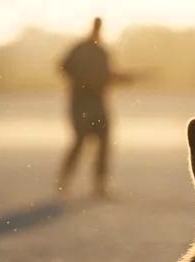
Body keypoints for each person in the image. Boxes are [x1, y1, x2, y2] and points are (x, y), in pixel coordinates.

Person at [55, 18, 136, 198]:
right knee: (80, 141)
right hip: (81, 103)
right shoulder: (81, 49)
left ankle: (99, 185)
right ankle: (64, 182)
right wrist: (83, 81)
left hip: (98, 103)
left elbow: (107, 76)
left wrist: (125, 78)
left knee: (103, 143)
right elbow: (63, 66)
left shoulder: (102, 52)